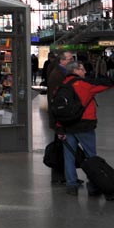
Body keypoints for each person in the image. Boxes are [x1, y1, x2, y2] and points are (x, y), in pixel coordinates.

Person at [57, 60, 114, 198]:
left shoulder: (61, 86)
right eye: (82, 69)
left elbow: (57, 110)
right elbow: (111, 82)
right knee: (91, 158)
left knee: (69, 157)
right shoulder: (86, 85)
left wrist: (59, 129)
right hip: (84, 127)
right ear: (75, 71)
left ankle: (71, 186)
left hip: (67, 127)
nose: (85, 72)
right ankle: (94, 186)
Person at [43, 51, 73, 185]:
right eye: (70, 59)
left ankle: (64, 176)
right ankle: (59, 176)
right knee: (60, 147)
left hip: (60, 116)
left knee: (62, 147)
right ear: (62, 61)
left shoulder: (61, 72)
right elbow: (56, 99)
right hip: (60, 117)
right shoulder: (57, 75)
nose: (72, 60)